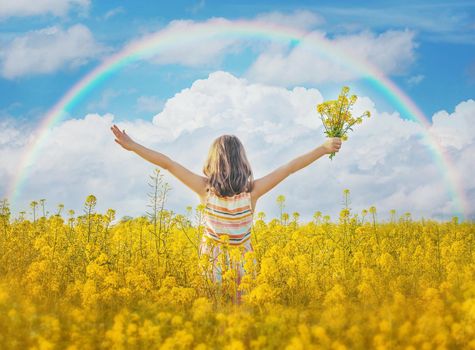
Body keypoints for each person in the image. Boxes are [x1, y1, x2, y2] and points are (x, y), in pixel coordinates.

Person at [110, 124, 341, 304]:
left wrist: (133, 145)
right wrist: (323, 148)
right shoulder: (253, 192)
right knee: (242, 321)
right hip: (244, 264)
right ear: (243, 162)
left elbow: (168, 164)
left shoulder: (205, 190)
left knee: (215, 316)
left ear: (212, 161)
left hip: (212, 265)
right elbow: (289, 167)